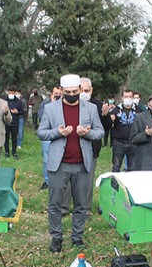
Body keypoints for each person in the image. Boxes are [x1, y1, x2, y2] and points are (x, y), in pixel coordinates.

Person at [37, 74, 104, 253]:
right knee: (55, 202)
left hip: (83, 163)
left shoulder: (90, 109)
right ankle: (56, 237)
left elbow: (100, 132)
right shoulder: (51, 109)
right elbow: (41, 133)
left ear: (80, 90)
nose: (72, 94)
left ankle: (77, 237)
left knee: (82, 203)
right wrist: (58, 133)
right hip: (59, 164)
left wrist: (87, 134)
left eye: (75, 91)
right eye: (68, 92)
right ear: (62, 90)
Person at [80, 77, 111, 212]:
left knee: (87, 180)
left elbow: (107, 127)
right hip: (72, 148)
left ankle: (85, 208)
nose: (83, 93)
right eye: (80, 90)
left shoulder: (98, 105)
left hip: (92, 148)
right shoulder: (70, 104)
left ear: (91, 90)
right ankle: (64, 207)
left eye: (86, 90)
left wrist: (105, 115)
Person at [38, 86, 63, 190]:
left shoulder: (65, 104)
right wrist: (52, 105)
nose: (57, 96)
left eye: (59, 94)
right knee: (46, 159)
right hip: (48, 135)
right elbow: (41, 118)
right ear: (51, 94)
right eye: (55, 93)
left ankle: (60, 180)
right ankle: (47, 181)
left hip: (61, 135)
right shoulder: (45, 104)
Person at [109, 89, 138, 172]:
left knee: (133, 168)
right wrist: (109, 119)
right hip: (119, 142)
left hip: (133, 143)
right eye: (126, 96)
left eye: (130, 96)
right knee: (116, 167)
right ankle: (114, 184)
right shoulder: (115, 110)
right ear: (122, 98)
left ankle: (131, 184)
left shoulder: (138, 110)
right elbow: (108, 124)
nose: (128, 98)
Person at [4, 87, 23, 159]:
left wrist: (17, 112)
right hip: (6, 122)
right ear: (7, 92)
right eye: (10, 93)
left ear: (15, 93)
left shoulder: (19, 101)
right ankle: (7, 152)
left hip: (15, 122)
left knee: (14, 138)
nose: (11, 94)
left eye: (12, 93)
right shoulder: (4, 101)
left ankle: (14, 152)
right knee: (6, 138)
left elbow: (22, 112)